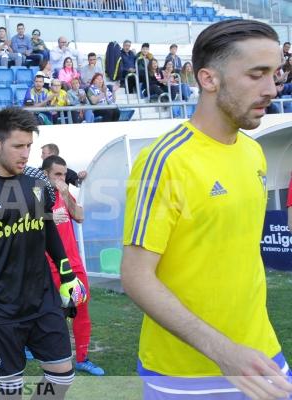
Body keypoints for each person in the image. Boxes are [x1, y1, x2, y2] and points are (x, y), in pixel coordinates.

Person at [120, 19, 292, 400]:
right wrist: (224, 352)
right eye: (256, 74)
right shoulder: (164, 160)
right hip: (185, 376)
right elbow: (135, 276)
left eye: (276, 74)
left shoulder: (253, 152)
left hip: (262, 354)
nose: (272, 89)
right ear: (208, 79)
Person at [0, 107, 86, 398]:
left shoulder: (38, 181)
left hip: (43, 298)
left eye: (29, 146)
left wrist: (68, 275)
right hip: (0, 307)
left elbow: (48, 230)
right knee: (10, 391)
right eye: (18, 146)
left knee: (62, 377)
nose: (25, 154)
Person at [42, 155, 104, 376]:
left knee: (81, 309)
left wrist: (67, 193)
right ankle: (57, 360)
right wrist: (48, 217)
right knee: (54, 314)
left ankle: (82, 358)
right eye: (57, 174)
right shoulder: (36, 196)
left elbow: (79, 216)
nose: (61, 178)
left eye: (63, 173)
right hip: (50, 267)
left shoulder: (64, 194)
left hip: (73, 265)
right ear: (45, 175)